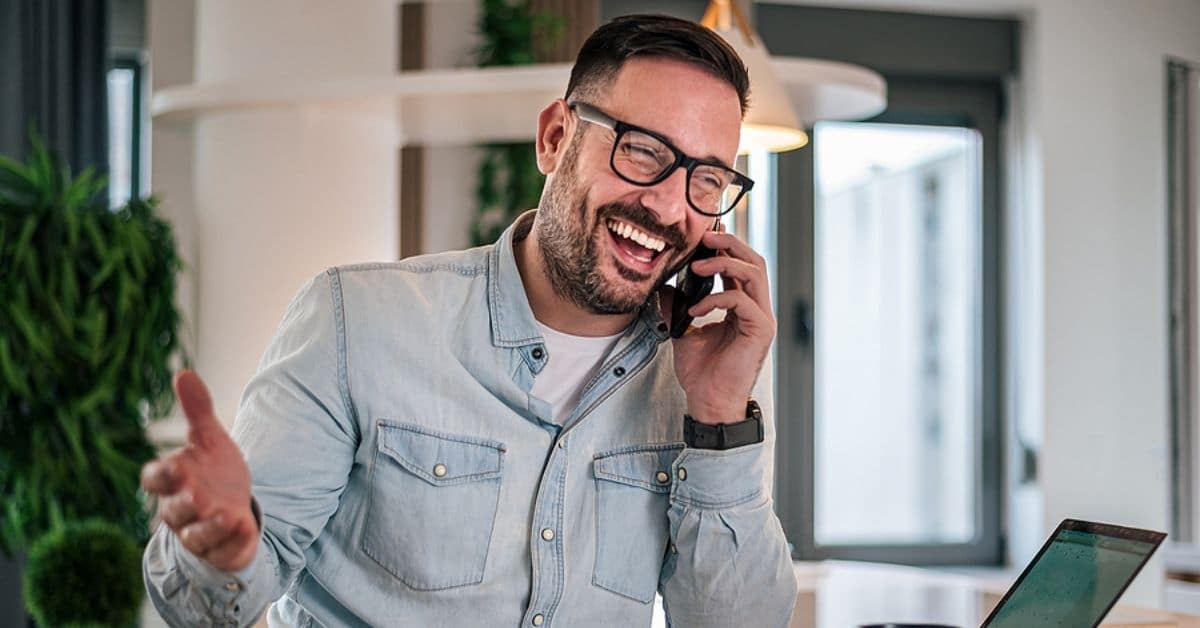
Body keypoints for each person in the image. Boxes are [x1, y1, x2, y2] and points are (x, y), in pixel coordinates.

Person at [141, 14, 799, 628]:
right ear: (555, 137)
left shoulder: (710, 381)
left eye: (707, 179)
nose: (668, 204)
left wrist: (718, 420)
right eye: (643, 152)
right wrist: (220, 551)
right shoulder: (357, 322)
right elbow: (209, 606)